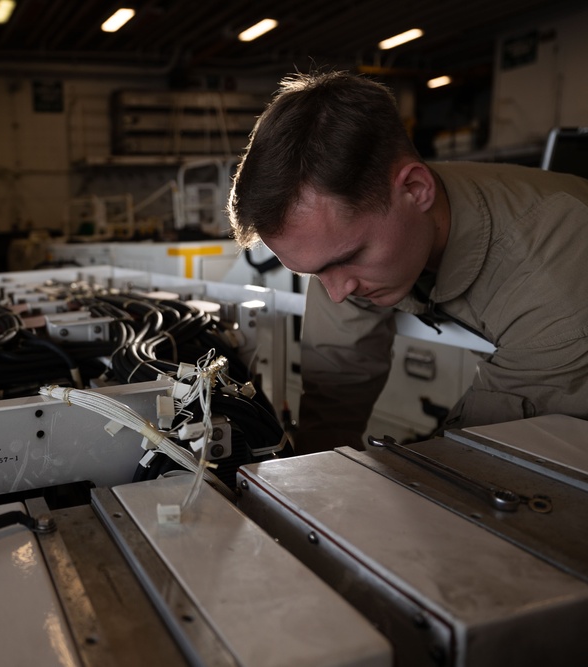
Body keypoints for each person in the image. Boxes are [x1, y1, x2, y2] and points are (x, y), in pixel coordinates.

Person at [227, 70, 588, 454]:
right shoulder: (349, 243)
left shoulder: (552, 257)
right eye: (316, 273)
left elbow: (500, 457)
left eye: (348, 258)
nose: (336, 294)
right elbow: (335, 398)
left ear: (416, 190)